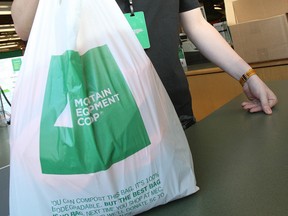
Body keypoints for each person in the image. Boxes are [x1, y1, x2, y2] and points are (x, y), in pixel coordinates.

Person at [11, 0, 277, 129]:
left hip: (174, 112)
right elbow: (23, 28)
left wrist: (247, 75)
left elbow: (196, 24)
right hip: (108, 123)